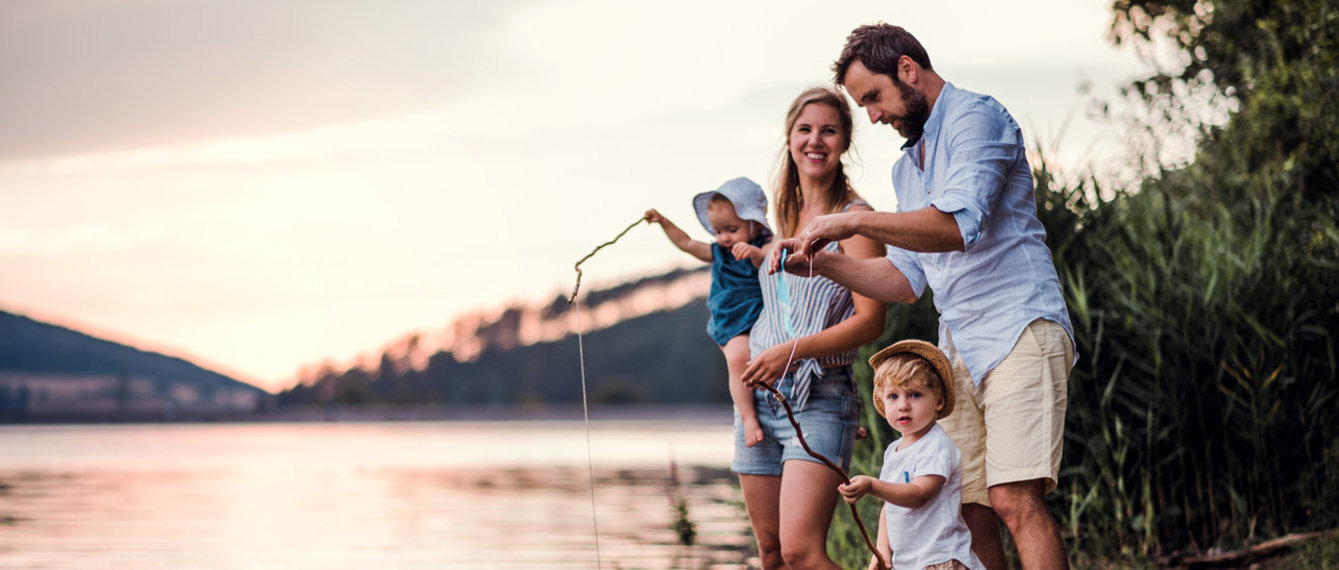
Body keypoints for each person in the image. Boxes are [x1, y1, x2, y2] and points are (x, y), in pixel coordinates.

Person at [774, 24, 1078, 569]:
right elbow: (905, 279)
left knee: (1014, 497)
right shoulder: (906, 168)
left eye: (873, 97)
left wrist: (856, 222)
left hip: (1019, 328)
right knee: (966, 506)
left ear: (908, 70)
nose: (872, 115)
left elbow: (958, 226)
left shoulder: (975, 119)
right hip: (958, 345)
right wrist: (822, 262)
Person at [733, 86, 886, 569]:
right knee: (772, 554)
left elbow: (871, 320)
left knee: (802, 552)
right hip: (758, 403)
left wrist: (790, 352)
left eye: (828, 130)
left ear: (844, 142)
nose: (815, 140)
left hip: (820, 397)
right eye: (805, 130)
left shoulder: (855, 220)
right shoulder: (778, 221)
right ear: (789, 139)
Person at [645, 177, 773, 447]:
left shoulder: (766, 246)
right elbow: (687, 244)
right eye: (718, 231)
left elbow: (774, 261)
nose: (724, 237)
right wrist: (664, 222)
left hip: (765, 318)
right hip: (733, 321)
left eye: (732, 229)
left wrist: (754, 253)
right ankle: (749, 417)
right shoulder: (719, 252)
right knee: (738, 357)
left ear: (755, 223)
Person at [838, 339, 985, 570]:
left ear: (939, 401)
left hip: (941, 559)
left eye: (915, 395)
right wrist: (882, 549)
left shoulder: (936, 445)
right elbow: (890, 505)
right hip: (910, 563)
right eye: (893, 396)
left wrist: (872, 486)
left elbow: (919, 494)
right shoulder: (893, 451)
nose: (903, 405)